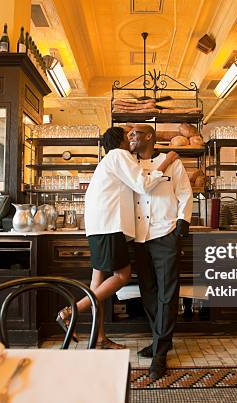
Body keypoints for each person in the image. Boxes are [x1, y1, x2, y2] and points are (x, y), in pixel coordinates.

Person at [56, 126, 179, 349]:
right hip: (109, 227)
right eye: (128, 136)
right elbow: (143, 185)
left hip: (98, 227)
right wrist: (167, 161)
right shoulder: (119, 155)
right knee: (122, 276)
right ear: (121, 141)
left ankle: (100, 338)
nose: (131, 139)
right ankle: (70, 311)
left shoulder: (109, 160)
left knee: (98, 284)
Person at [128, 124, 193, 379]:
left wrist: (181, 226)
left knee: (167, 293)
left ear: (149, 137)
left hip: (165, 233)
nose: (131, 138)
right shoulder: (128, 163)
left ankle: (160, 354)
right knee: (149, 293)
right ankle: (160, 340)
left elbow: (185, 193)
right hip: (139, 236)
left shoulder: (172, 163)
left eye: (135, 134)